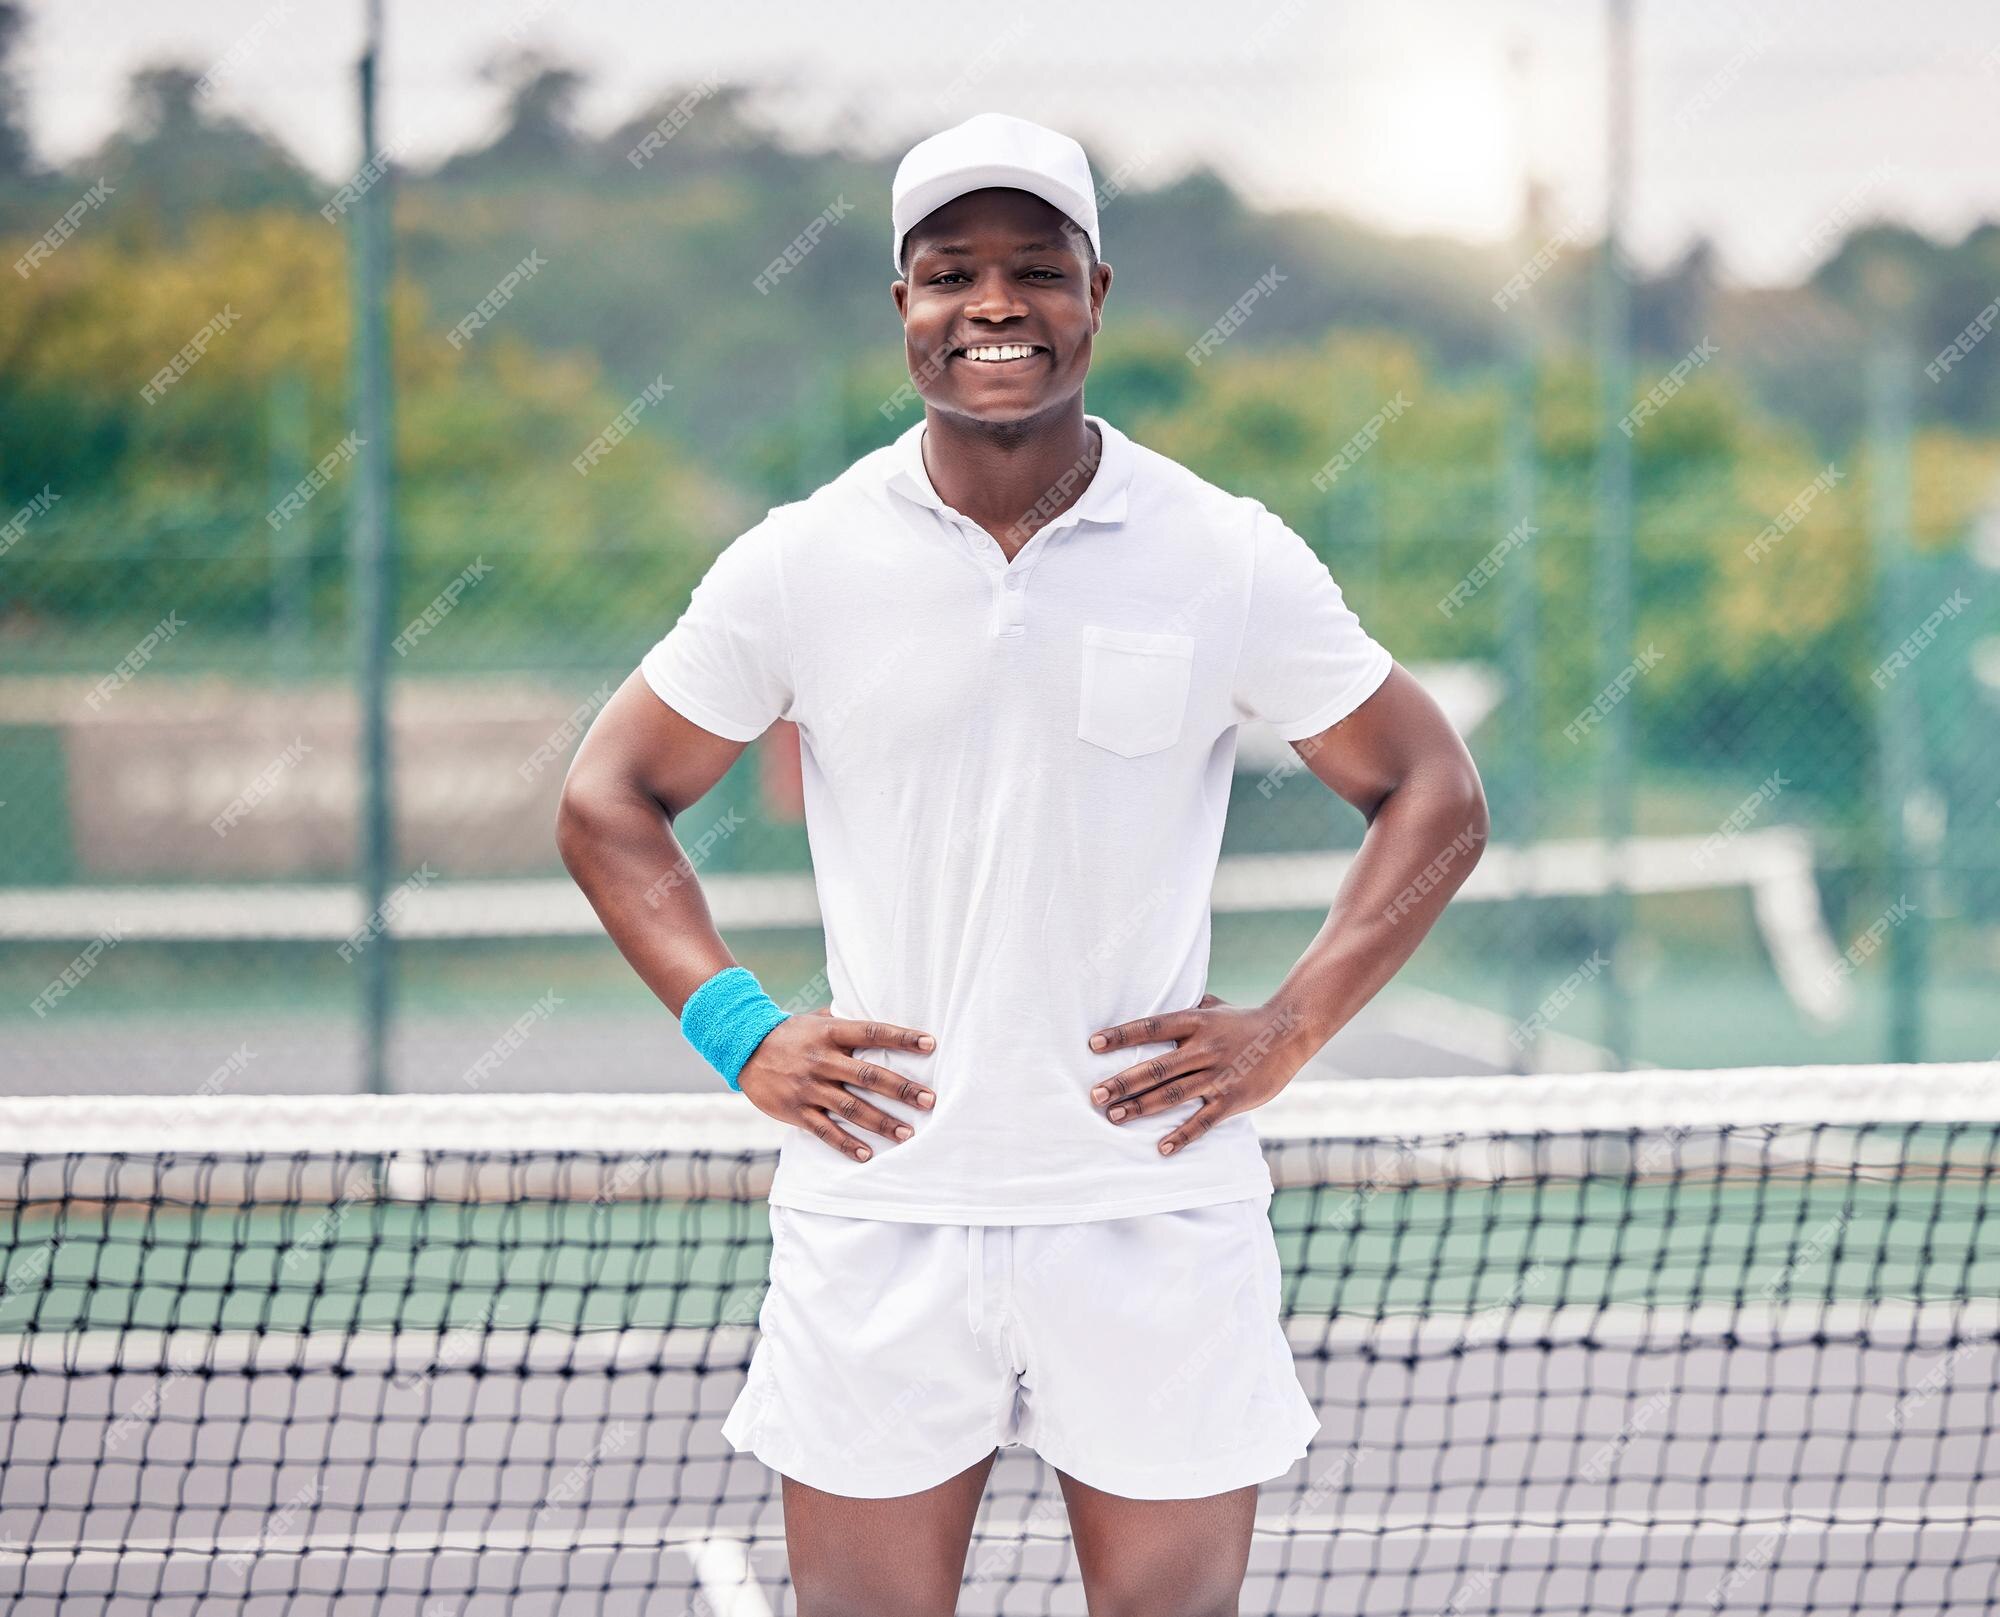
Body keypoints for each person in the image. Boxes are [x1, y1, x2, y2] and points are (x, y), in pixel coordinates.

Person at [557, 112, 1488, 1617]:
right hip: (878, 1207)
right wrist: (740, 1029)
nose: (995, 305)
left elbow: (1435, 789)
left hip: (1153, 1209)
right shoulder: (800, 560)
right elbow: (607, 796)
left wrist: (1288, 1027)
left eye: (1036, 270)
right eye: (951, 273)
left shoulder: (1225, 550)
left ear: (1097, 295)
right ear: (905, 309)